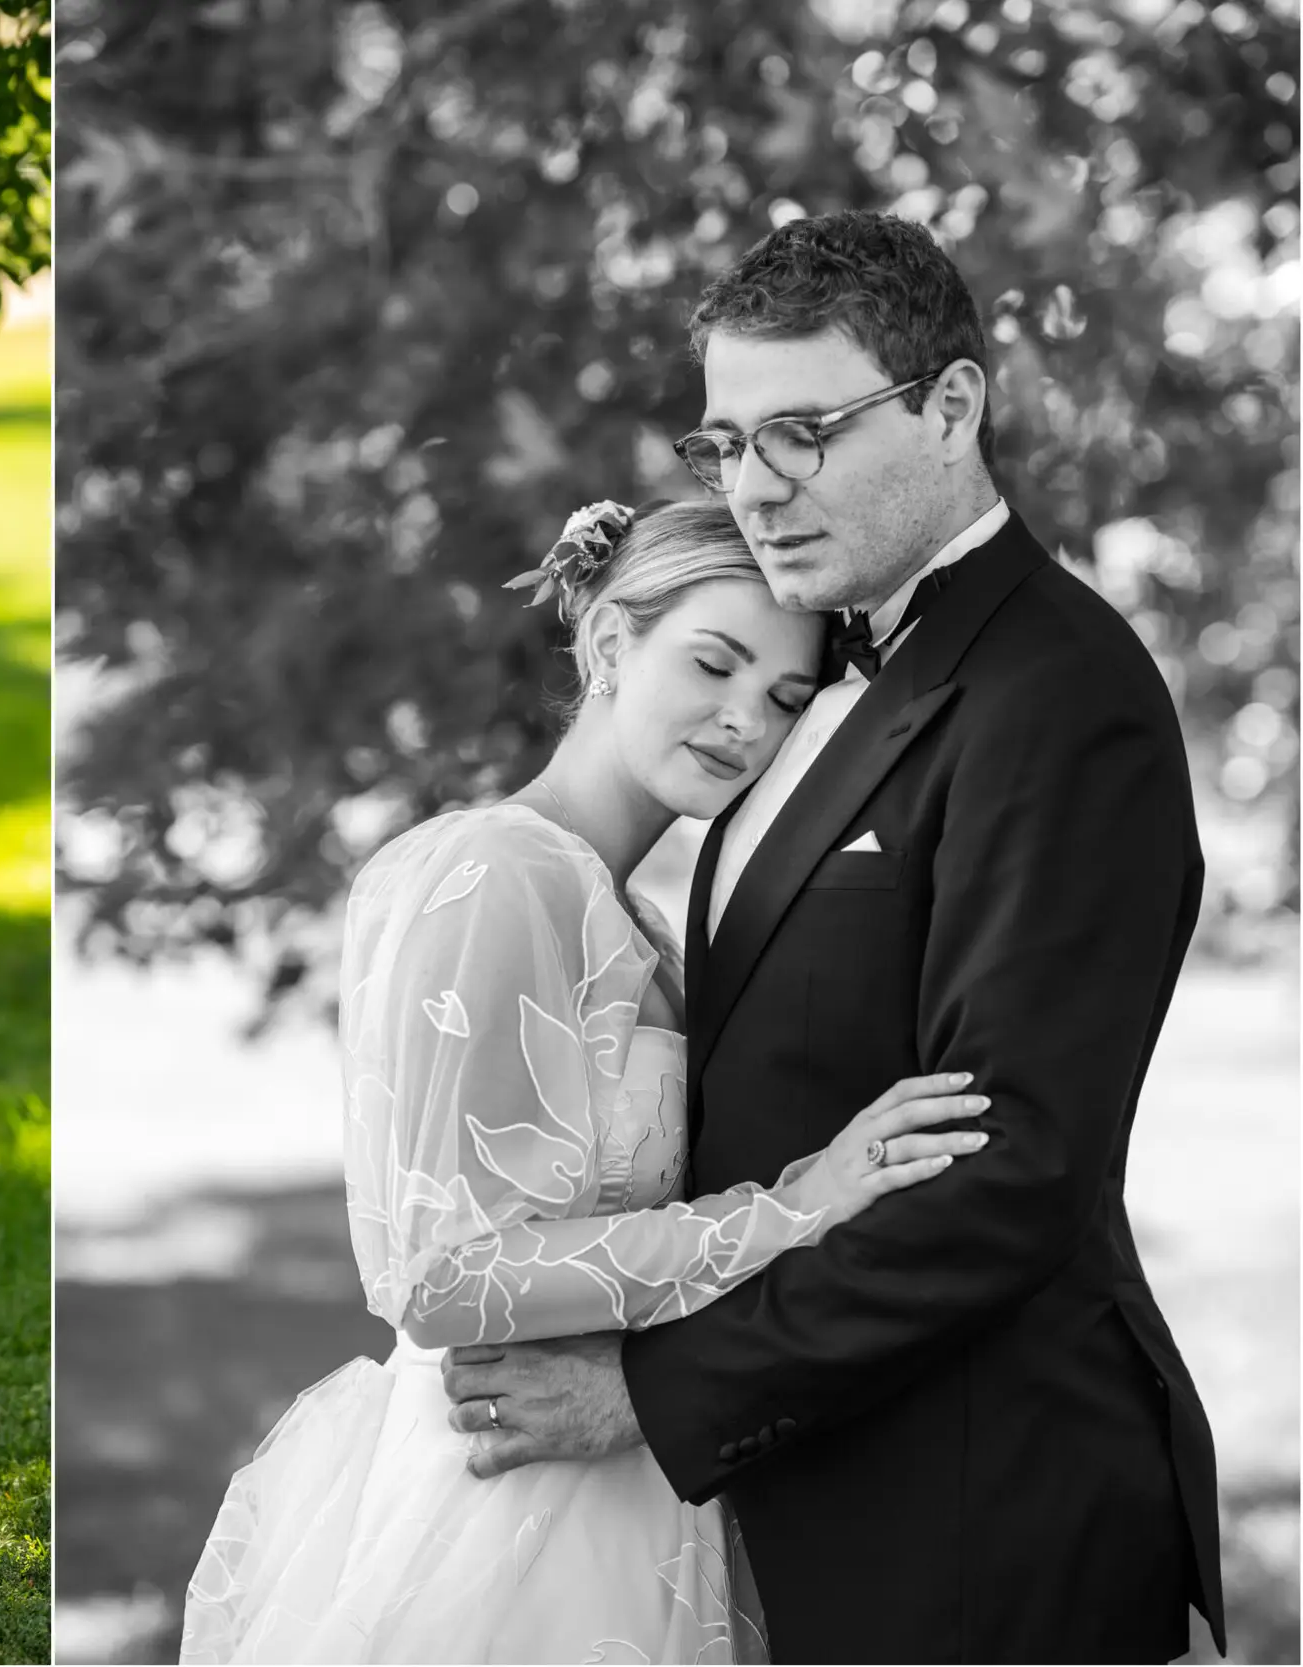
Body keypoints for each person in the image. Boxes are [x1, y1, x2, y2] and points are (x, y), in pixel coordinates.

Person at [443, 210, 1225, 1663]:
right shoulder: (823, 674)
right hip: (814, 1490)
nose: (755, 486)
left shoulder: (1062, 694)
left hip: (983, 1512)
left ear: (950, 405)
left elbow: (1013, 1170)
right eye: (725, 442)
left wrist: (654, 1392)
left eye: (803, 430)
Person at [178, 497, 993, 1663]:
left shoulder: (643, 920)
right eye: (712, 662)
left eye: (780, 698)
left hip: (634, 1486)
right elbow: (438, 1272)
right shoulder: (494, 870)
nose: (740, 720)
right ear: (609, 642)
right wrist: (791, 1214)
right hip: (497, 1501)